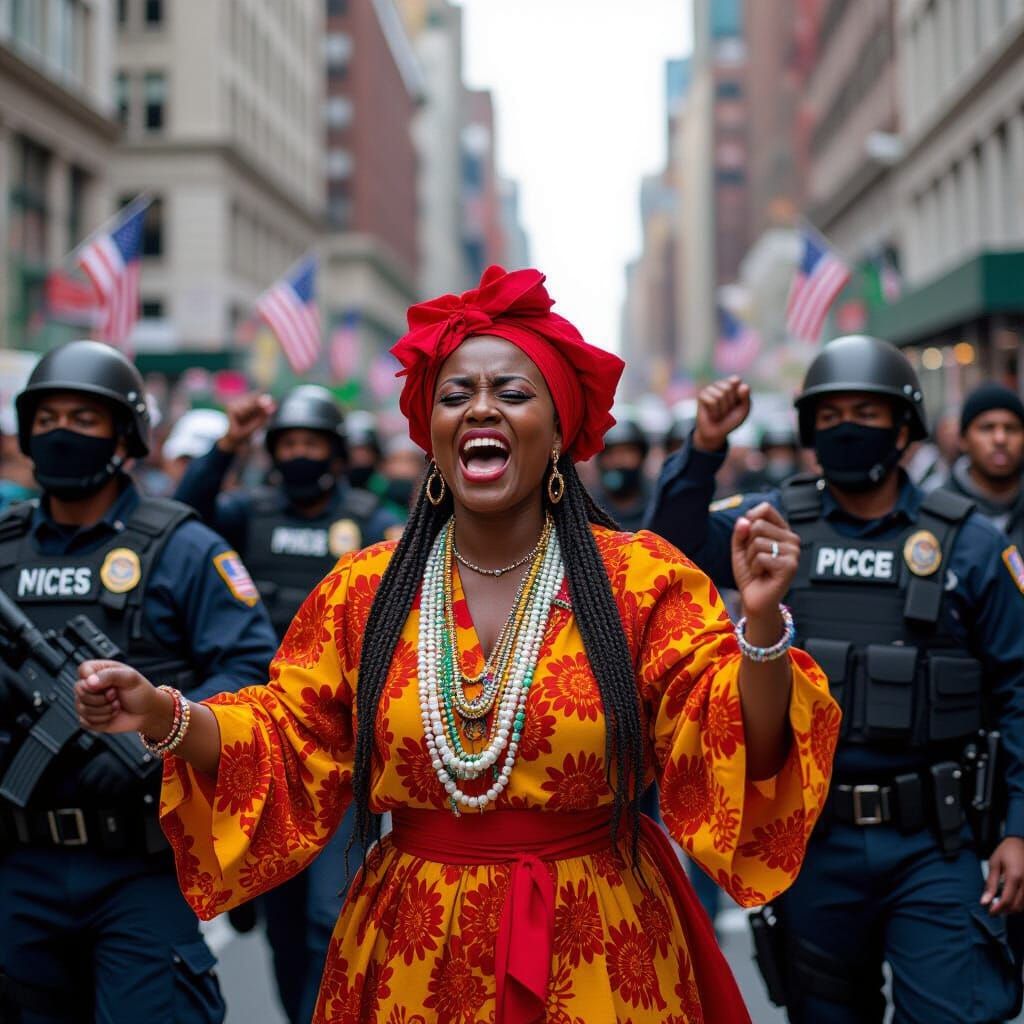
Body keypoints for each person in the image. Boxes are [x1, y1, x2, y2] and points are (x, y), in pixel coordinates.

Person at [75, 265, 838, 1024]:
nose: (481, 409)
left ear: (559, 429)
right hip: (412, 952)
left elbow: (739, 739)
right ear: (433, 432)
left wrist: (763, 631)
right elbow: (281, 736)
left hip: (601, 943)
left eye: (511, 393)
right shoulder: (366, 589)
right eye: (455, 394)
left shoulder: (641, 579)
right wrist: (164, 715)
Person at [645, 336, 1024, 1024]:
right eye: (832, 413)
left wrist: (1019, 831)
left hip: (935, 843)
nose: (847, 426)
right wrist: (703, 447)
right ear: (809, 428)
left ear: (905, 428)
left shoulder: (968, 543)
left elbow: (1021, 689)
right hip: (812, 840)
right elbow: (664, 552)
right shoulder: (768, 525)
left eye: (868, 413)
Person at [0, 340, 278, 1024]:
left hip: (142, 864)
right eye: (48, 417)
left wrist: (161, 726)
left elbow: (251, 676)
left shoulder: (183, 546)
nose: (62, 432)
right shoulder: (4, 548)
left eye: (85, 419)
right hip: (17, 863)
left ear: (125, 437)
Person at [173, 384, 400, 1023]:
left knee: (329, 917)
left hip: (338, 747)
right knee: (281, 915)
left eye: (312, 444)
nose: (301, 453)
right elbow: (179, 519)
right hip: (261, 738)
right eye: (290, 443)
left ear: (334, 451)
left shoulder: (371, 520)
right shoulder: (249, 514)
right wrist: (226, 446)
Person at [941, 383, 1024, 549]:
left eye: (1011, 428)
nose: (1000, 439)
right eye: (987, 428)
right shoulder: (939, 509)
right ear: (963, 440)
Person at [590, 418, 651, 531]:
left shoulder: (659, 505)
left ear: (642, 456)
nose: (618, 461)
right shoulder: (587, 509)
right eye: (610, 453)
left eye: (627, 452)